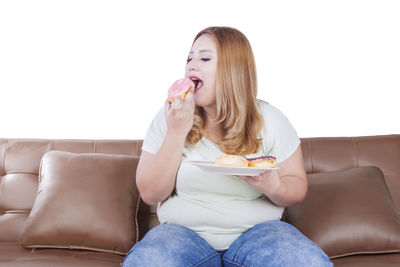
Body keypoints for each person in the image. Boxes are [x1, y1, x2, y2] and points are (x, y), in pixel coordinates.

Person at [122, 26, 333, 267]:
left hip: (260, 232)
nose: (191, 65)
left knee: (306, 262)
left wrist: (274, 185)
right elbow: (150, 193)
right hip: (181, 234)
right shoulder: (170, 116)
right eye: (189, 58)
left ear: (232, 69)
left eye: (204, 58)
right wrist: (176, 132)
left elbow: (297, 188)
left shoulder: (271, 119)